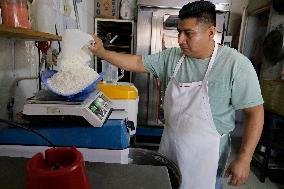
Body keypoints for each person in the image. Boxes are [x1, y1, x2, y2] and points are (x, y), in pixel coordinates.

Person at [89, 1, 264, 188]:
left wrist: (245, 158)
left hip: (207, 156)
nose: (180, 39)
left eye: (188, 33)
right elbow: (138, 62)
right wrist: (102, 52)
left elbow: (255, 112)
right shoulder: (172, 57)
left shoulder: (236, 65)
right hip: (171, 145)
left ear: (211, 33)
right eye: (179, 32)